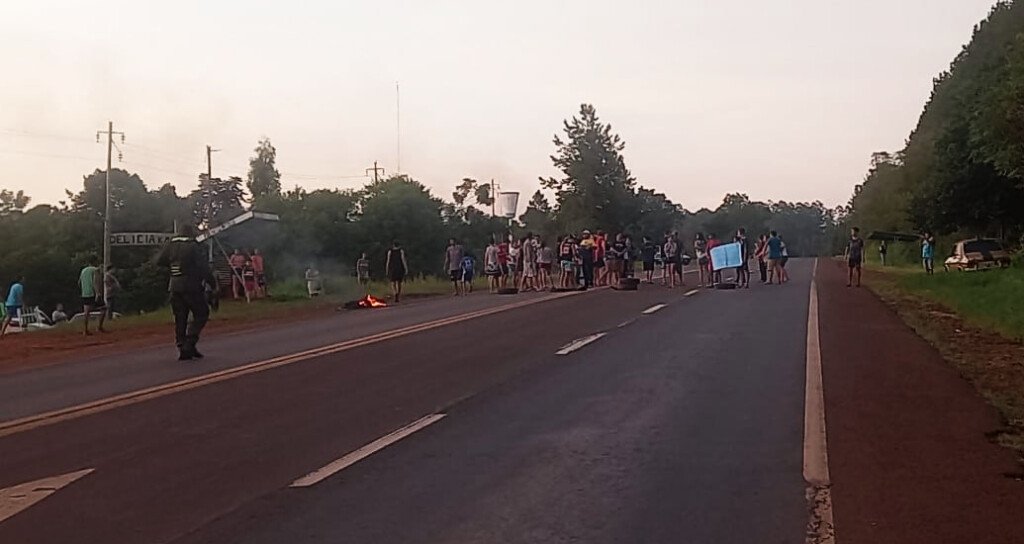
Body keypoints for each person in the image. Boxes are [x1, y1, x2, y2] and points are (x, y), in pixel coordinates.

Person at [155, 224, 217, 361]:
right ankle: (190, 341)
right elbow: (203, 267)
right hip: (191, 285)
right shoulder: (193, 245)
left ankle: (182, 346)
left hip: (174, 285)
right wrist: (212, 283)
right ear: (190, 233)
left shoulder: (170, 245)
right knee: (202, 313)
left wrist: (174, 267)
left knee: (180, 318)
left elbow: (159, 261)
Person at [79, 257, 106, 335]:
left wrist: (83, 290)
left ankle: (85, 330)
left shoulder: (83, 270)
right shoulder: (95, 270)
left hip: (85, 293)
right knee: (103, 308)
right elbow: (95, 281)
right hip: (93, 293)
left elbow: (79, 282)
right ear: (96, 262)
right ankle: (99, 327)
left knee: (86, 312)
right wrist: (98, 293)